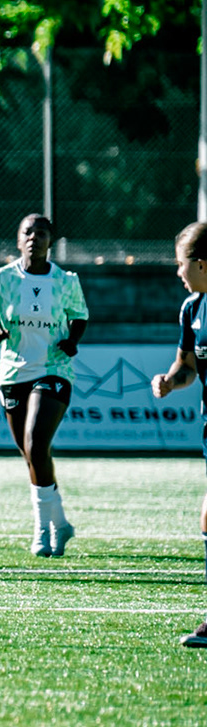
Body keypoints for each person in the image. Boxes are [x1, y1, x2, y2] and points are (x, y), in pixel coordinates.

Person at [0, 212, 88, 556]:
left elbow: (79, 316)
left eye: (41, 232)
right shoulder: (1, 279)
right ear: (18, 241)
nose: (34, 237)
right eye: (28, 232)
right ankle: (62, 524)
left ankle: (41, 531)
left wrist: (72, 340)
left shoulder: (66, 281)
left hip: (54, 369)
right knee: (31, 455)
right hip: (12, 373)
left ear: (52, 241)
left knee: (36, 445)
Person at [149, 221, 207, 647]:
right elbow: (187, 366)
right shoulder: (192, 309)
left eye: (180, 264)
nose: (177, 272)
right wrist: (171, 381)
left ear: (202, 263)